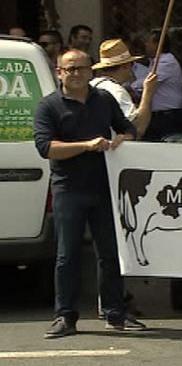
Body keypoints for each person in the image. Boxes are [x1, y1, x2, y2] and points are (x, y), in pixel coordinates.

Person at [33, 49, 146, 338]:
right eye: (69, 69)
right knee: (67, 255)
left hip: (104, 186)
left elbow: (128, 128)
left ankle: (115, 312)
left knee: (109, 253)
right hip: (68, 189)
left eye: (81, 68)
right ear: (59, 72)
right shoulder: (48, 106)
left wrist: (123, 138)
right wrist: (86, 146)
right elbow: (46, 148)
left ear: (90, 71)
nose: (75, 74)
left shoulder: (104, 99)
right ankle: (65, 316)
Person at [91, 39, 158, 137]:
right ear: (126, 66)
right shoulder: (117, 91)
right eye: (131, 64)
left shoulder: (91, 85)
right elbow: (137, 128)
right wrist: (148, 92)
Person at [131, 29, 182, 142]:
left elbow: (147, 81)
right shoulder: (154, 62)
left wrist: (129, 86)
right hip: (158, 115)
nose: (146, 45)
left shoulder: (167, 62)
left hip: (167, 116)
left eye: (149, 42)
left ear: (157, 44)